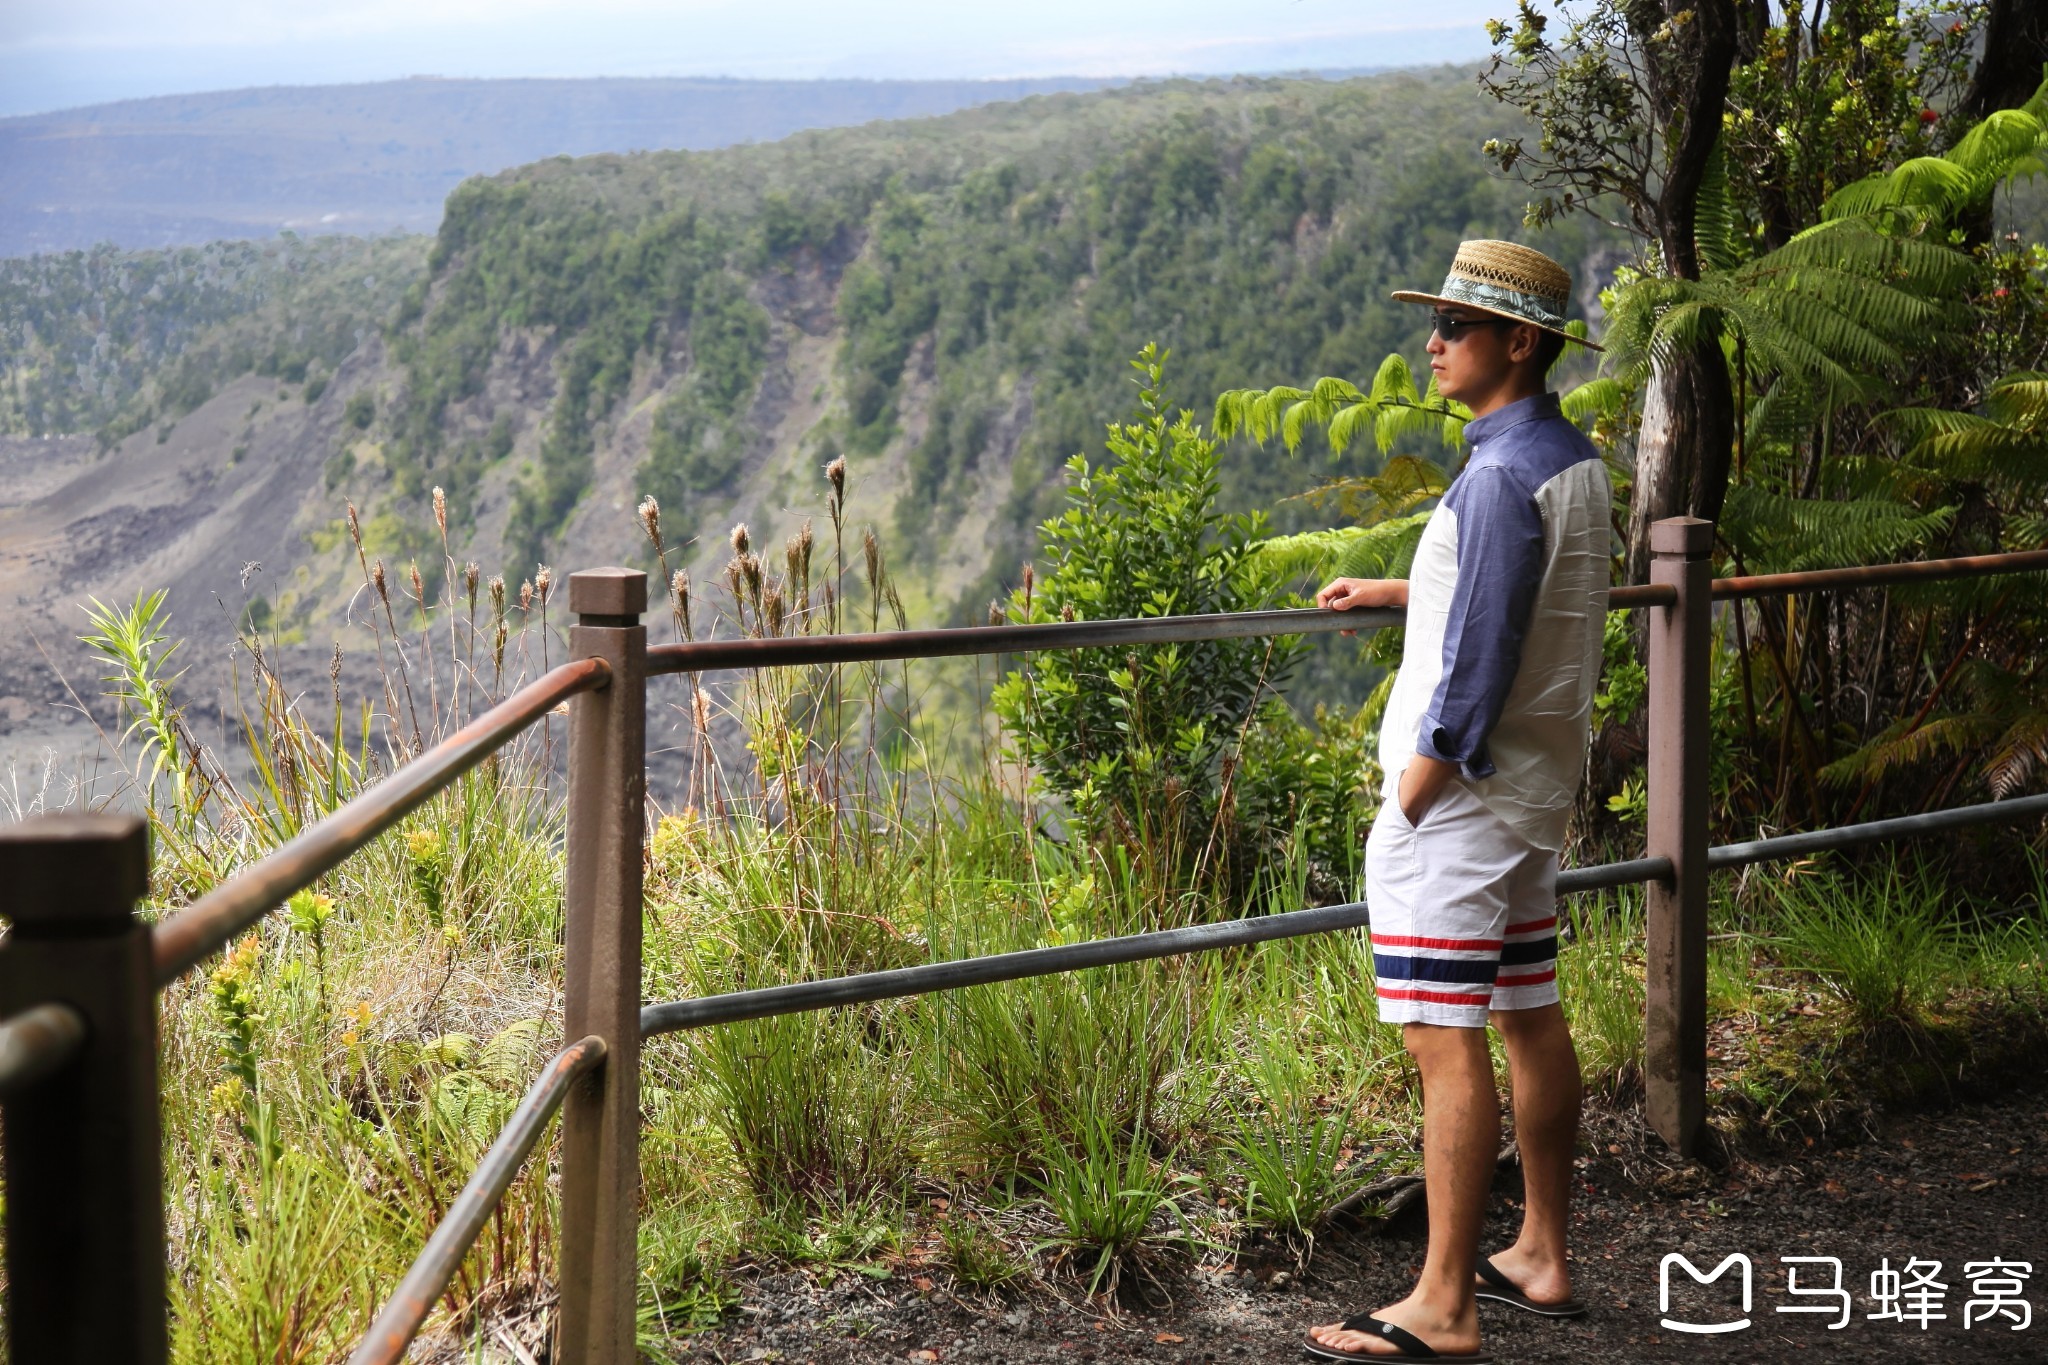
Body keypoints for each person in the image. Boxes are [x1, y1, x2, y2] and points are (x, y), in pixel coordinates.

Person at [1303, 240, 1611, 1363]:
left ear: (1515, 344)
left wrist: (1413, 792)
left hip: (1464, 802)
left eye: (1452, 328)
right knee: (1527, 1010)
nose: (1429, 346)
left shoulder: (1491, 475)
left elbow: (1480, 655)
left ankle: (1442, 1301)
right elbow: (1518, 588)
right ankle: (1536, 1252)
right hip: (1533, 792)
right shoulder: (1562, 458)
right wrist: (1403, 587)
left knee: (1445, 1038)